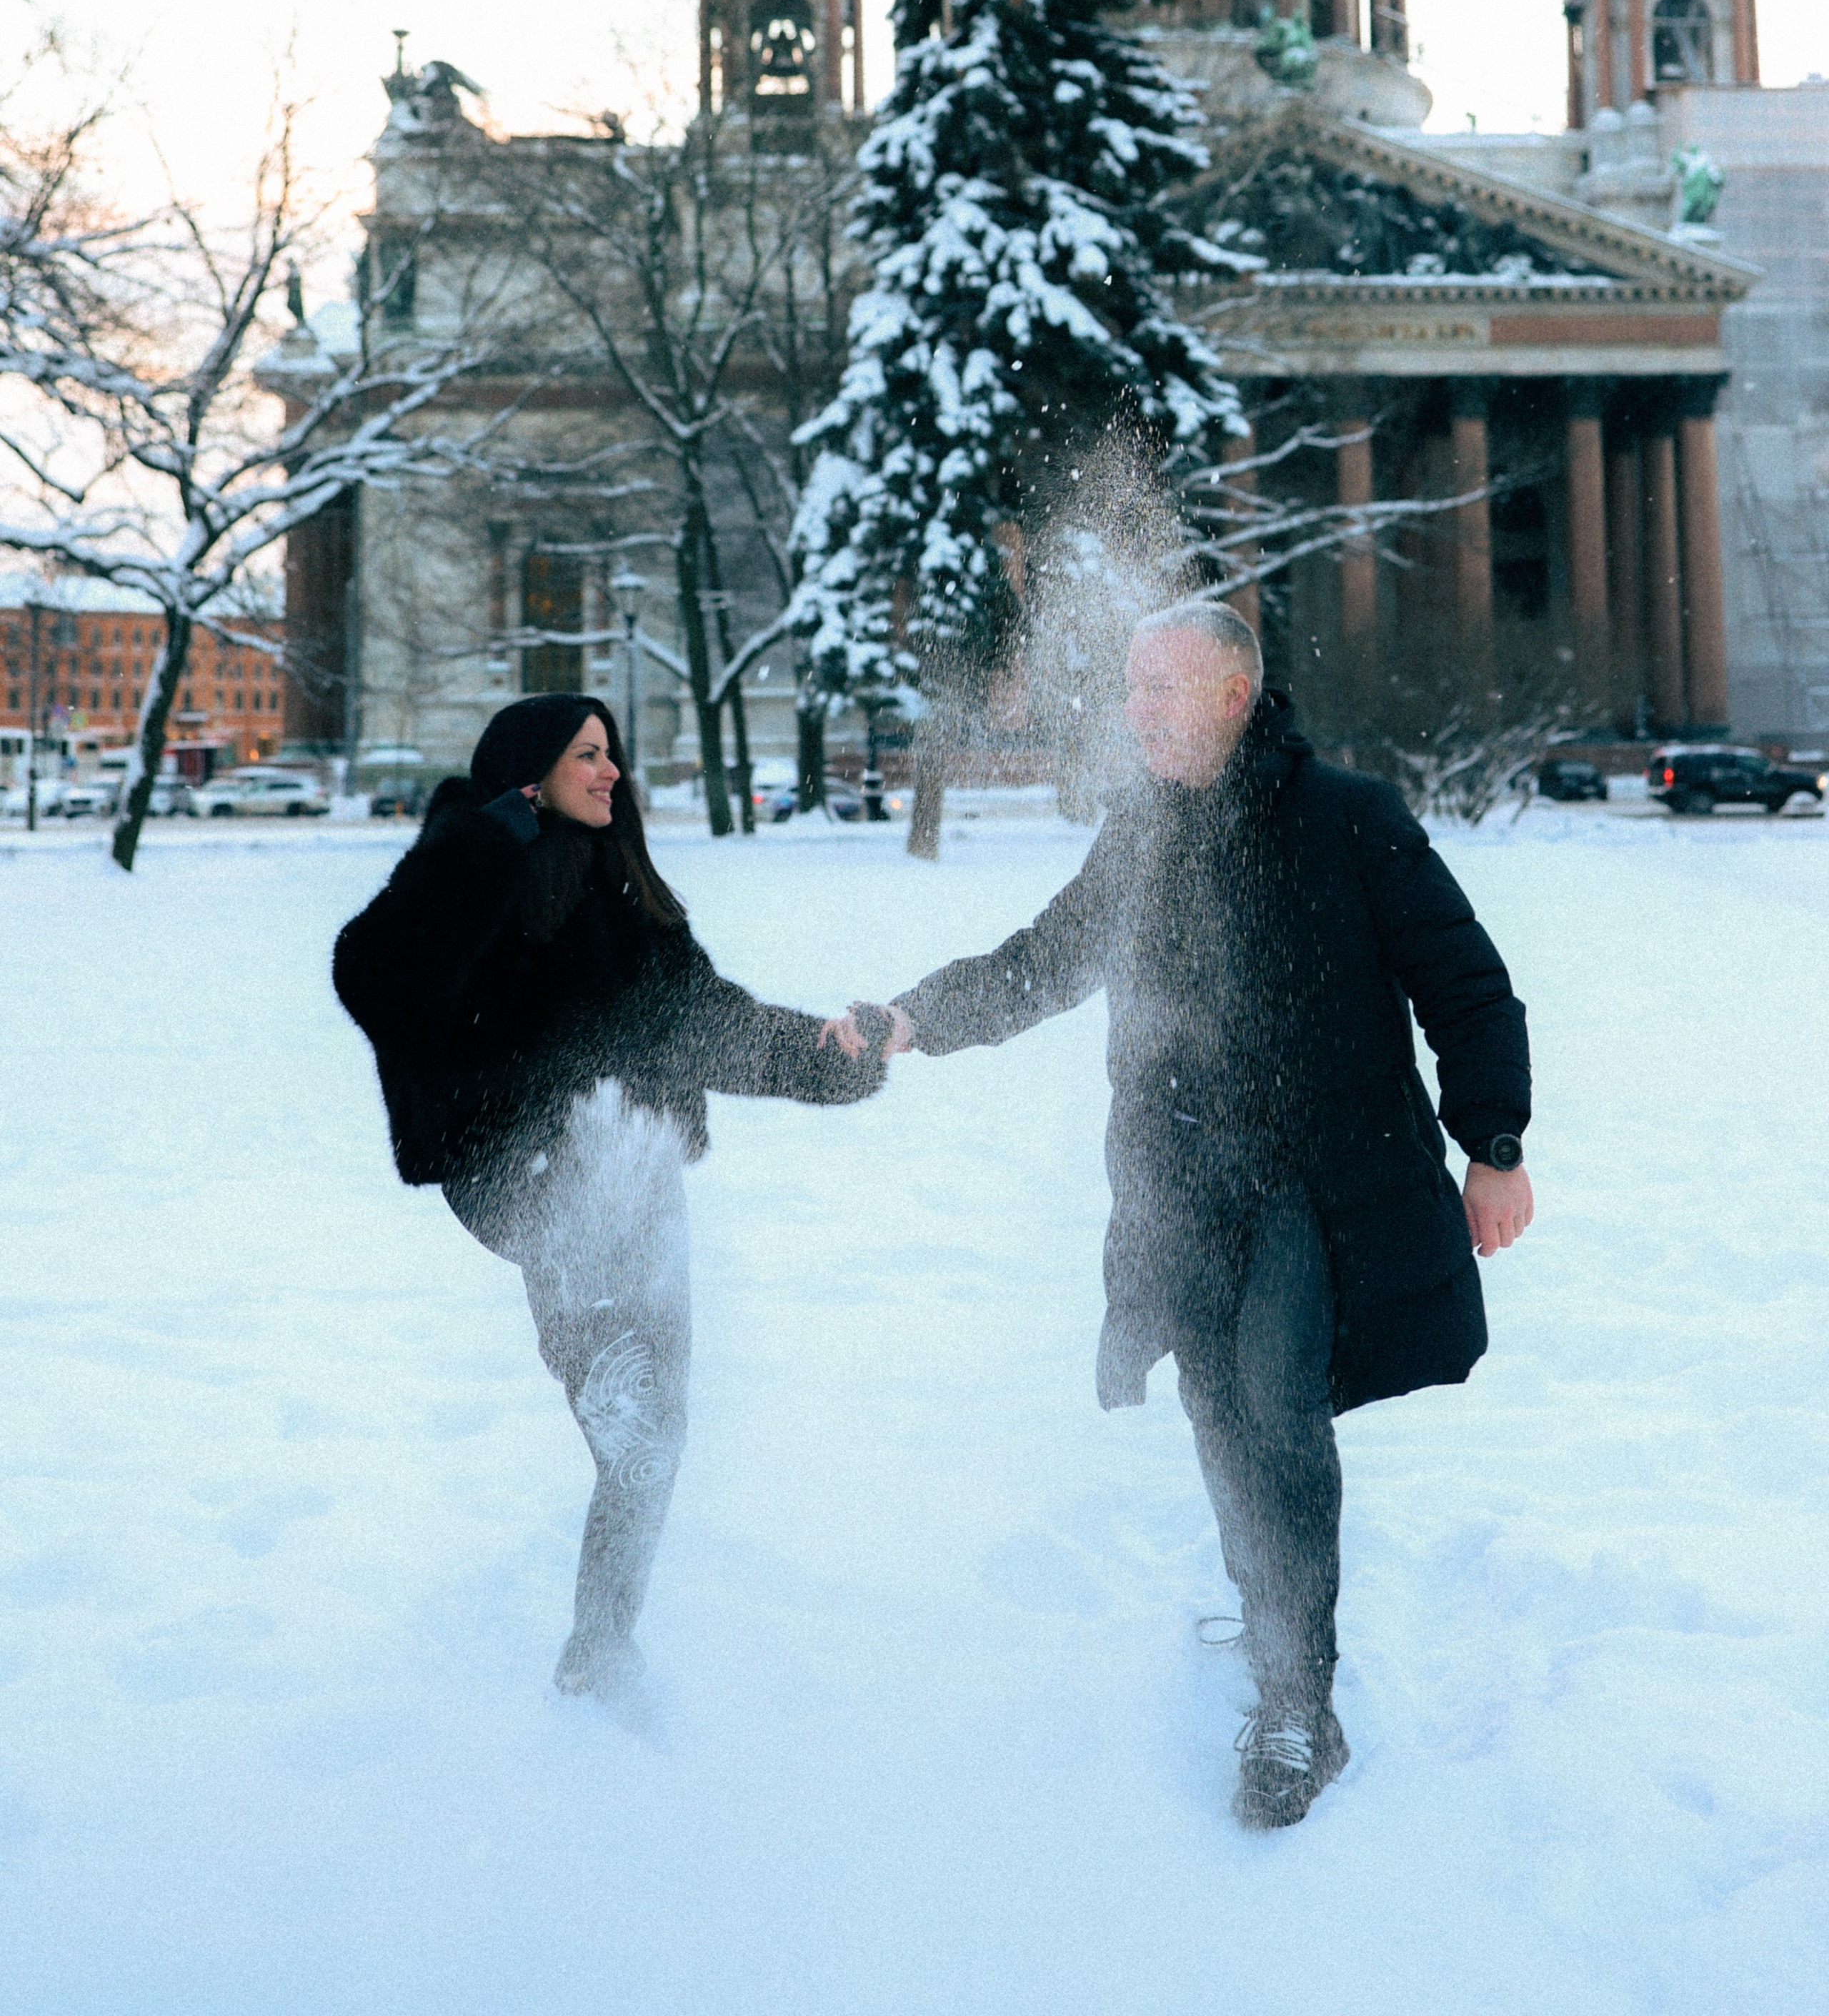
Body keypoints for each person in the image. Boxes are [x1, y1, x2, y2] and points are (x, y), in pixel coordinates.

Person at [833, 600, 1533, 1829]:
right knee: (1221, 1416)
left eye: (1161, 687)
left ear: (1232, 696)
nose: (1136, 710)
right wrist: (909, 1017)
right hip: (1178, 1192)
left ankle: (1295, 1703)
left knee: (1275, 1402)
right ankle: (1272, 1615)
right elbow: (1038, 963)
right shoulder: (1141, 832)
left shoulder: (1351, 820)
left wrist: (1496, 1144)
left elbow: (1468, 988)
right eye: (1130, 688)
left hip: (1318, 1190)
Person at [333, 692, 886, 1707]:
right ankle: (605, 1422)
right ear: (528, 772)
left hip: (641, 1177)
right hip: (541, 1181)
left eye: (612, 754)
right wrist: (487, 845)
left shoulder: (623, 892)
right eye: (587, 755)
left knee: (655, 1439)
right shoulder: (474, 876)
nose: (611, 772)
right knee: (633, 1416)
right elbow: (375, 974)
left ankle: (600, 1647)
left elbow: (705, 1022)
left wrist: (824, 1054)